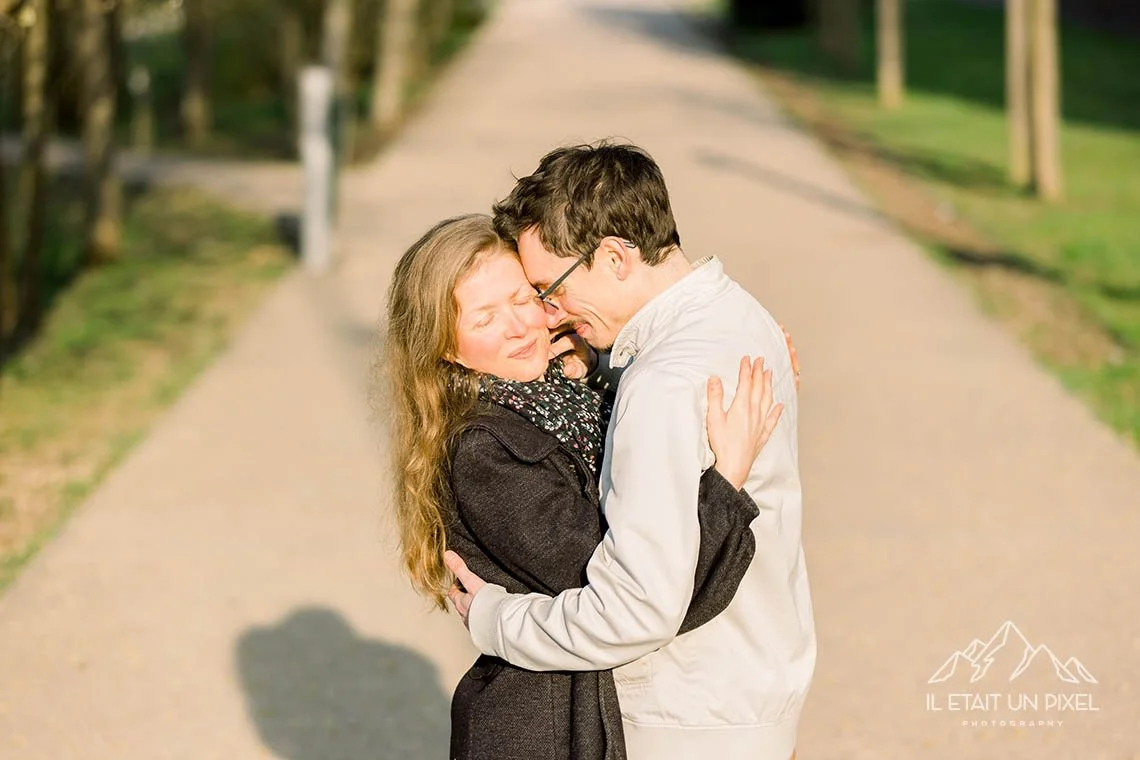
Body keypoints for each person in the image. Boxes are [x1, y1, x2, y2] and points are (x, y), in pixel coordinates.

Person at [445, 141, 816, 760]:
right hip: (752, 690)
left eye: (548, 288)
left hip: (685, 717)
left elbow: (633, 612)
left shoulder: (662, 382)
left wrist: (493, 619)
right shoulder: (739, 315)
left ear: (615, 257)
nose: (549, 313)